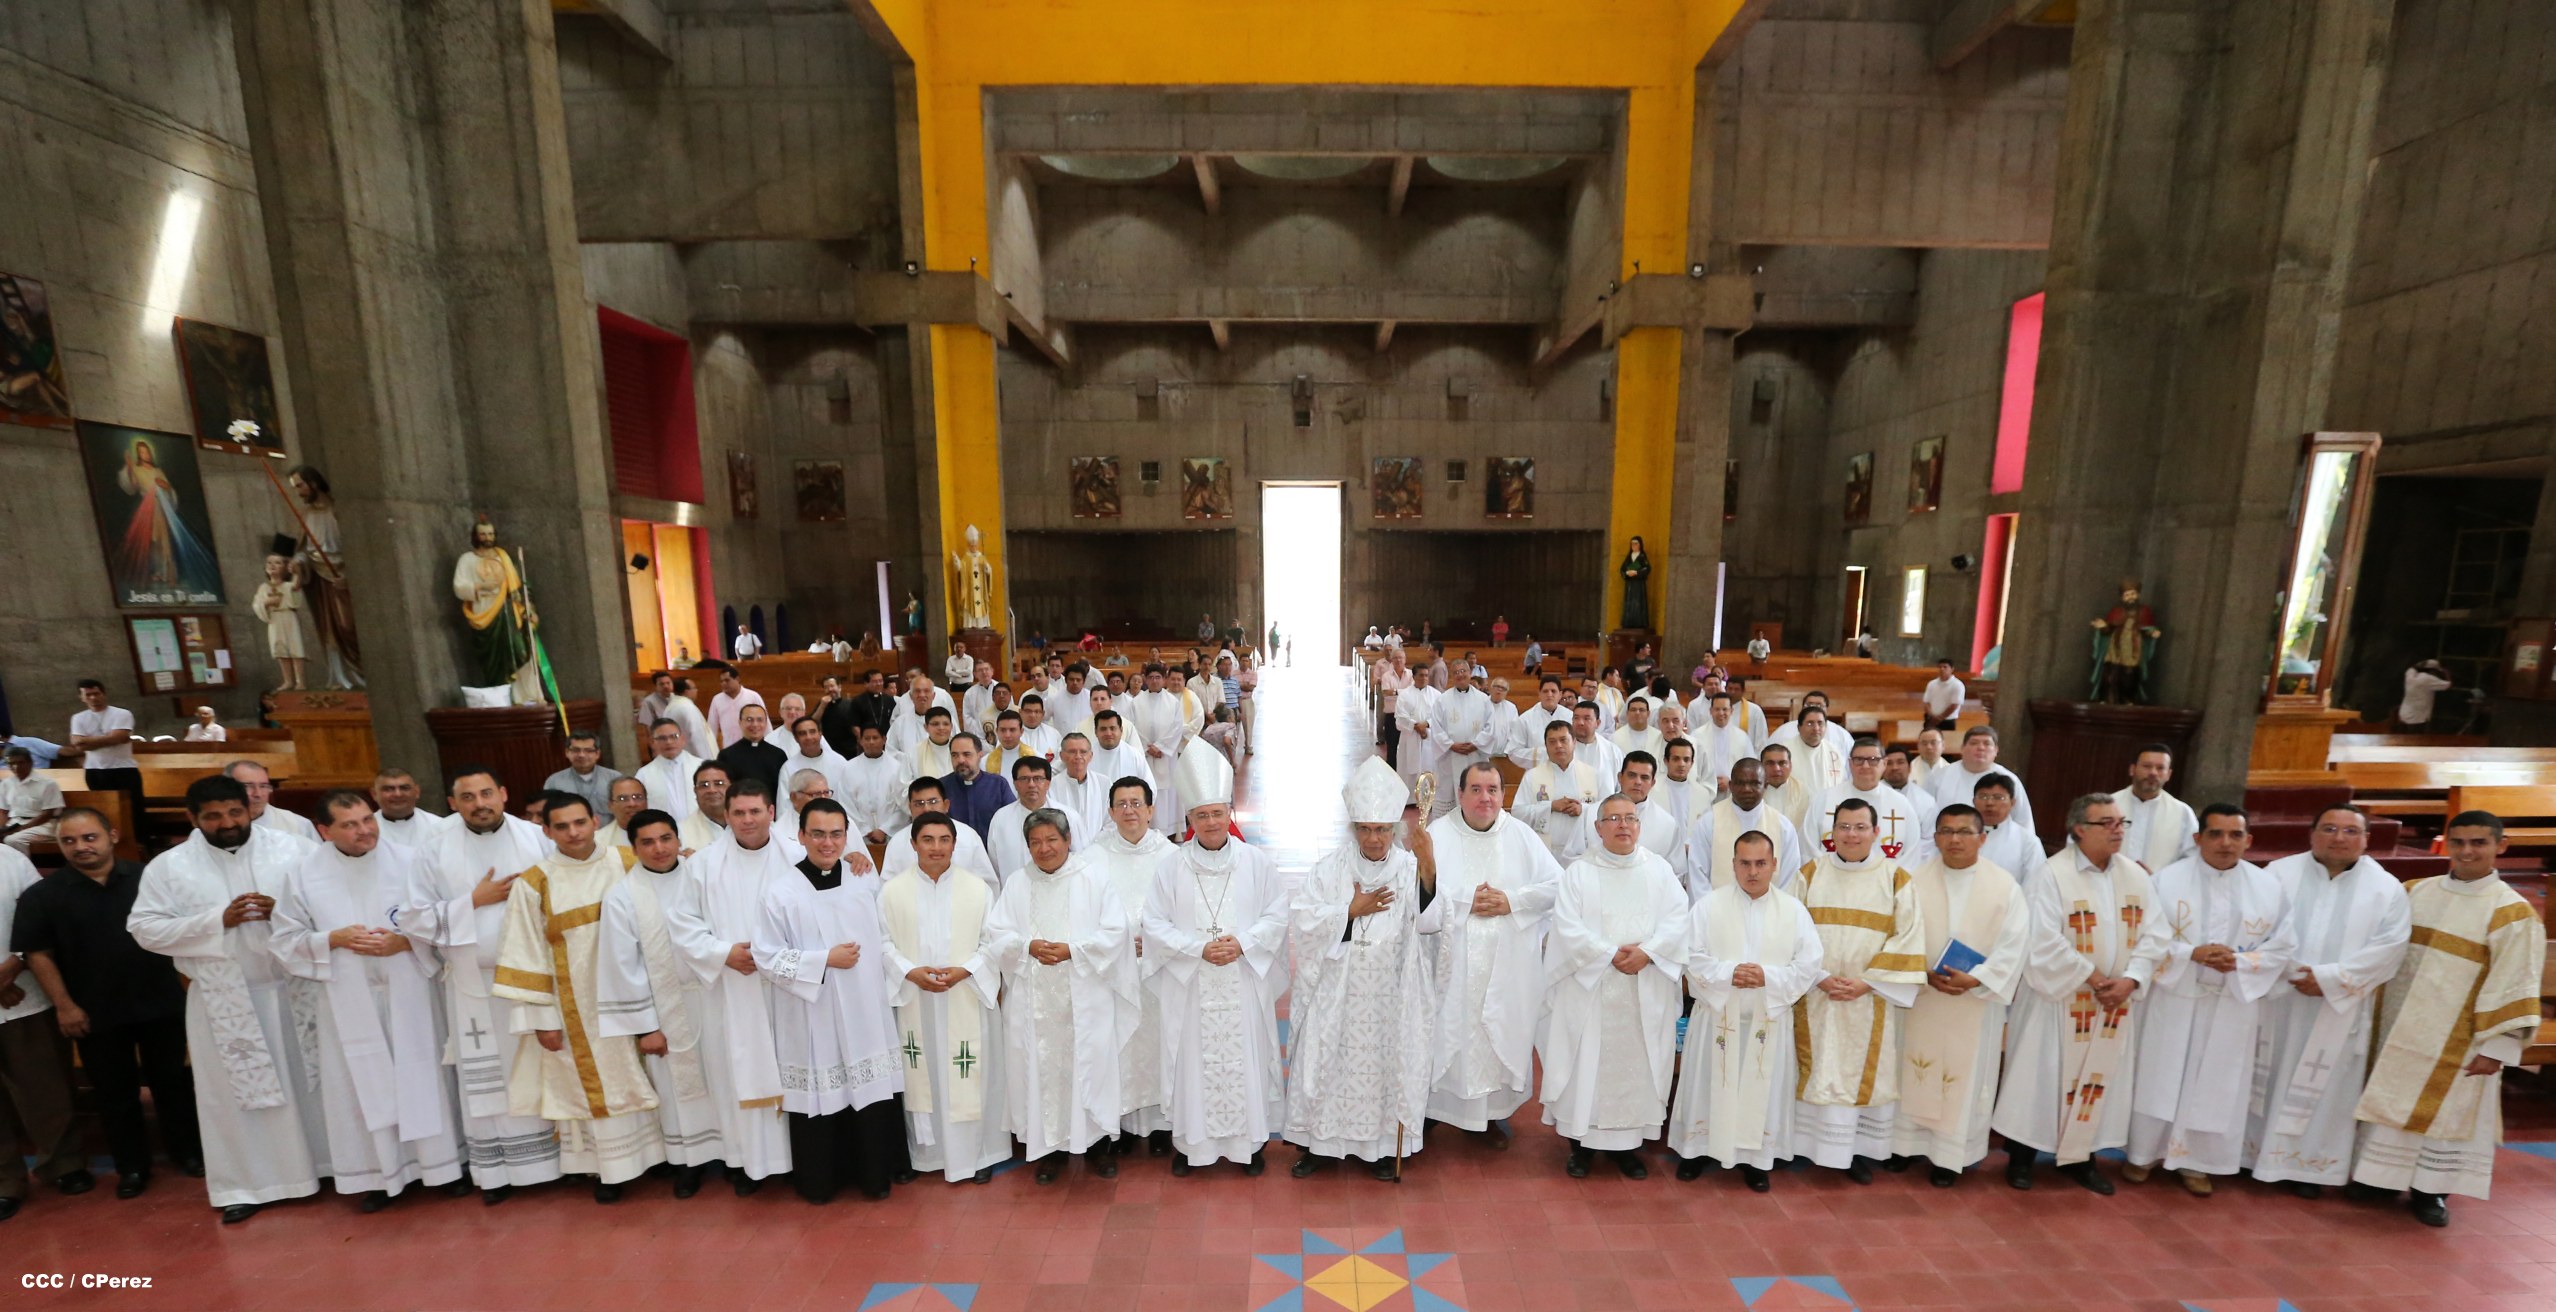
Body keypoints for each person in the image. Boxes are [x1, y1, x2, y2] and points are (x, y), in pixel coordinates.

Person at [127, 775, 325, 1223]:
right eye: (213, 816)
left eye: (235, 811)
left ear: (249, 808)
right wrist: (218, 920)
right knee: (231, 1101)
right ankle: (245, 1185)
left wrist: (284, 912)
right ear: (193, 818)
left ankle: (325, 1167)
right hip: (223, 1002)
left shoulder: (295, 850)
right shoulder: (169, 867)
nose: (228, 822)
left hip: (295, 991)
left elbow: (330, 906)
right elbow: (144, 929)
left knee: (309, 1085)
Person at [2350, 810, 2547, 1226]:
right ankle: (2380, 1179)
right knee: (2390, 1099)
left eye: (2479, 842)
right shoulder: (2415, 892)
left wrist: (2497, 1048)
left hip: (2461, 1038)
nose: (2467, 851)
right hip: (2399, 1024)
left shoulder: (2511, 912)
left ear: (2501, 846)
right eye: (2458, 842)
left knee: (2447, 1115)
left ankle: (2431, 1191)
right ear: (2445, 844)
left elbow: (2517, 982)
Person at [271, 791, 462, 1211]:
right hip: (347, 998)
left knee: (422, 1073)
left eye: (366, 820)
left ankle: (442, 1168)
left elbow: (442, 918)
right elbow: (284, 941)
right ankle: (380, 1175)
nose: (364, 830)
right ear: (325, 831)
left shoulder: (411, 861)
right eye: (350, 825)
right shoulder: (303, 874)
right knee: (360, 1085)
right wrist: (332, 938)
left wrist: (406, 942)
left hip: (410, 990)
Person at [1990, 793, 2168, 1194]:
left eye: (2121, 822)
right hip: (2058, 1001)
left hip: (2113, 1004)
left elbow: (2156, 935)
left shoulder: (2136, 876)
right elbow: (2040, 939)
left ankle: (2080, 1159)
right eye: (2107, 823)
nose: (2118, 830)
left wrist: (2132, 979)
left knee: (2096, 1081)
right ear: (2079, 829)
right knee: (2040, 1079)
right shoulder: (2052, 875)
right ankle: (2021, 1158)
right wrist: (2093, 978)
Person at [402, 763, 563, 1203]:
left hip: (534, 980)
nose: (480, 804)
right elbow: (413, 917)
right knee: (488, 1078)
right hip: (473, 986)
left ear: (503, 794)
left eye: (486, 794)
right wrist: (472, 901)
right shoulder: (434, 851)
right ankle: (496, 1173)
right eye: (468, 797)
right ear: (452, 803)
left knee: (542, 1067)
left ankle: (556, 1163)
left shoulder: (537, 838)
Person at [491, 793, 664, 1201]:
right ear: (547, 831)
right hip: (578, 1011)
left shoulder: (628, 861)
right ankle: (610, 1171)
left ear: (595, 821)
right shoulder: (535, 883)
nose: (573, 832)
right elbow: (526, 954)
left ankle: (662, 1155)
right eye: (562, 826)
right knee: (596, 1083)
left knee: (651, 1071)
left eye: (580, 822)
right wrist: (543, 1019)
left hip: (642, 995)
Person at [2121, 804, 2293, 1197]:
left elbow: (2283, 946)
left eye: (2235, 835)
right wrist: (2190, 954)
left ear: (2249, 841)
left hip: (2231, 1000)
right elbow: (2143, 936)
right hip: (2175, 997)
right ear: (2198, 838)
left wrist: (2242, 962)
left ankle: (2198, 1161)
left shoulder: (2268, 888)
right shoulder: (2166, 881)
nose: (2225, 843)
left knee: (2216, 1083)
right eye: (2215, 834)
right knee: (2160, 1075)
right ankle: (2143, 1153)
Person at [8, 810, 176, 1211]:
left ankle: (188, 1153)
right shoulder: (44, 895)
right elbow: (38, 953)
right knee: (114, 1094)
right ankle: (132, 1168)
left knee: (173, 1084)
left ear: (111, 835)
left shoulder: (149, 878)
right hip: (93, 1010)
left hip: (161, 1001)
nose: (81, 847)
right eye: (69, 841)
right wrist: (65, 1006)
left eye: (89, 837)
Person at [1284, 758, 1437, 1181]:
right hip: (1337, 993)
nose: (1373, 838)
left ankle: (1384, 1149)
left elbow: (1431, 922)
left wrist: (1429, 868)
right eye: (1365, 829)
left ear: (1395, 829)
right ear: (1353, 828)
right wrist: (1349, 912)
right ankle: (1319, 1144)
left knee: (1385, 1070)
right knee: (1326, 1064)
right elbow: (1304, 920)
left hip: (1391, 994)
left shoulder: (1410, 868)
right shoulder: (1330, 869)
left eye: (1382, 829)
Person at [750, 799, 909, 1203]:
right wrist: (823, 960)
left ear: (846, 836)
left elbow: (886, 936)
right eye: (818, 834)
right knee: (825, 1090)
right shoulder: (781, 892)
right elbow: (766, 957)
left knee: (868, 1090)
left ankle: (875, 1175)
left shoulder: (862, 880)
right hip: (812, 1013)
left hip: (864, 1008)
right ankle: (821, 1180)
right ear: (801, 836)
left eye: (836, 834)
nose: (827, 843)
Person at [2249, 804, 2411, 1198]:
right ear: (2312, 834)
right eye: (2329, 829)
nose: (2339, 837)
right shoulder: (2278, 874)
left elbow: (2390, 948)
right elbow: (2255, 929)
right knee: (2267, 1073)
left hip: (2339, 1006)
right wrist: (2292, 973)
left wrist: (2328, 979)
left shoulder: (2386, 888)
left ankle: (2308, 1167)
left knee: (2328, 1087)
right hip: (2280, 998)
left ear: (2367, 839)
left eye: (2351, 831)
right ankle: (2251, 1155)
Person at [1145, 741, 1290, 1176]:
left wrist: (1243, 943)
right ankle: (1193, 1146)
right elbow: (1153, 922)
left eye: (1217, 813)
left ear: (1230, 813)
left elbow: (1277, 913)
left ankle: (1249, 1146)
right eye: (1201, 815)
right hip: (1193, 983)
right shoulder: (1171, 867)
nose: (1210, 822)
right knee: (1194, 1062)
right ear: (1189, 819)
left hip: (1241, 979)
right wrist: (1197, 949)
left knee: (1245, 1060)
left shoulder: (1255, 862)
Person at [1539, 794, 1688, 1180]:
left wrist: (1648, 953)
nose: (1623, 825)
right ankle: (1581, 1147)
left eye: (1630, 818)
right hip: (1592, 990)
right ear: (1598, 828)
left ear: (1639, 825)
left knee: (1636, 1067)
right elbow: (1567, 926)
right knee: (1586, 1065)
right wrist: (1609, 954)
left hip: (1644, 987)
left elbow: (1678, 919)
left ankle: (1628, 1148)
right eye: (1614, 819)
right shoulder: (1579, 873)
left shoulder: (1659, 870)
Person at [665, 778, 800, 1195]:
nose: (747, 820)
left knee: (794, 1066)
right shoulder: (703, 866)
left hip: (789, 990)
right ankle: (747, 1162)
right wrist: (724, 953)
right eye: (738, 812)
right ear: (726, 816)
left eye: (755, 811)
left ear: (771, 812)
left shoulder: (797, 856)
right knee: (734, 1072)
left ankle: (799, 1159)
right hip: (731, 987)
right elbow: (682, 925)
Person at [1667, 831, 1822, 1190]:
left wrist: (1767, 976)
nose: (1753, 871)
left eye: (1761, 863)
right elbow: (1689, 955)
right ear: (1733, 864)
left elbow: (1809, 964)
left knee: (1759, 1091)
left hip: (1767, 1021)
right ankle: (1697, 1151)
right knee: (1710, 1085)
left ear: (1774, 865)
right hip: (1718, 1019)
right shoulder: (1708, 906)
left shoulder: (1793, 911)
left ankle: (1755, 1160)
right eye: (1745, 863)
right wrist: (1729, 974)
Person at [984, 805, 1132, 1184]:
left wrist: (1073, 950)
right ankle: (1049, 1151)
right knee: (1039, 1072)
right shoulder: (1017, 883)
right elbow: (996, 934)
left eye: (1052, 839)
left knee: (1091, 1068)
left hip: (1086, 997)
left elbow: (1116, 932)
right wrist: (1028, 946)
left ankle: (1098, 1146)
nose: (1044, 848)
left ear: (1068, 840)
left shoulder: (1093, 878)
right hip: (1033, 1001)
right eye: (1035, 842)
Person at [1421, 761, 1564, 1150]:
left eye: (1493, 790)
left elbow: (1558, 886)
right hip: (1452, 966)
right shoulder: (1437, 835)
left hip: (1507, 967)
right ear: (1460, 794)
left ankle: (1488, 1116)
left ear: (1503, 795)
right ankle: (1435, 1109)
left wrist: (1512, 900)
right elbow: (1417, 891)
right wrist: (1466, 901)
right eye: (1476, 790)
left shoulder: (1520, 835)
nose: (1485, 798)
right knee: (1447, 1031)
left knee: (1495, 1031)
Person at [1887, 804, 2032, 1186]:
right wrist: (1921, 972)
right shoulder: (1913, 881)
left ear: (1982, 838)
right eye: (1946, 831)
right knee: (1912, 1068)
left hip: (1975, 1001)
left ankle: (1949, 1157)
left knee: (1962, 1078)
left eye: (1964, 832)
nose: (1955, 839)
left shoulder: (2005, 887)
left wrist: (1977, 978)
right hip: (1924, 997)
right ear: (1935, 838)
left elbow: (2015, 945)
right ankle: (1905, 1146)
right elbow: (1896, 935)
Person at [1788, 799, 1927, 1183]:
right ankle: (1800, 1145)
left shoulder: (1896, 878)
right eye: (1844, 827)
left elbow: (1909, 936)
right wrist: (1818, 976)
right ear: (1832, 832)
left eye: (1860, 827)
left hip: (1869, 999)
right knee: (1814, 1065)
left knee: (1856, 1073)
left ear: (1876, 832)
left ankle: (1852, 1151)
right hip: (1816, 993)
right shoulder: (1811, 873)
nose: (1851, 835)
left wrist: (1869, 982)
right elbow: (1788, 930)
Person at [592, 809, 725, 1200]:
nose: (659, 848)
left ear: (678, 839)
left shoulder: (701, 877)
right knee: (677, 1089)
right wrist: (646, 1027)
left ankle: (733, 1155)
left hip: (716, 998)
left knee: (722, 1075)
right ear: (633, 848)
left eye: (666, 838)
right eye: (647, 842)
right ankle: (687, 1162)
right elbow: (621, 966)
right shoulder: (622, 897)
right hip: (666, 1010)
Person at [878, 813, 1007, 1184]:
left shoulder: (978, 890)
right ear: (913, 844)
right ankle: (926, 1155)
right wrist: (909, 971)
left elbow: (993, 942)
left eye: (944, 839)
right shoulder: (892, 892)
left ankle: (978, 1155)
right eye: (928, 839)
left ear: (954, 844)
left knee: (971, 1074)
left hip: (965, 995)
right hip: (915, 998)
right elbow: (881, 942)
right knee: (922, 1077)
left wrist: (966, 970)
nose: (936, 847)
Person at [1087, 776, 1175, 1152]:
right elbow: (1084, 911)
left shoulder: (1172, 857)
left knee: (1159, 1044)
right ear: (1110, 812)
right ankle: (1119, 1125)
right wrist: (1118, 943)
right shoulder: (1092, 857)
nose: (1129, 811)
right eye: (1121, 804)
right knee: (1118, 1044)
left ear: (1151, 810)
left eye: (1136, 803)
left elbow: (1184, 912)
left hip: (1159, 969)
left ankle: (1160, 1126)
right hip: (1113, 970)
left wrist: (1155, 941)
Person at [1685, 758, 1805, 899]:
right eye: (1740, 783)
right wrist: (1712, 909)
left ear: (1765, 785)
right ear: (1731, 786)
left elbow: (1789, 881)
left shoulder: (1783, 827)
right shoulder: (1708, 823)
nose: (1747, 789)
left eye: (1754, 783)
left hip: (1770, 910)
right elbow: (1697, 876)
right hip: (1718, 909)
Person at [1809, 736, 1939, 866]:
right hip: (1832, 876)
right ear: (1850, 764)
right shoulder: (1825, 799)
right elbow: (1809, 847)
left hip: (1887, 878)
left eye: (1873, 760)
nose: (1865, 766)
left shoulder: (1901, 804)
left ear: (1884, 764)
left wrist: (1886, 877)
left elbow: (1912, 853)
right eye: (1859, 760)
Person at [1511, 721, 1601, 861]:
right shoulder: (1532, 776)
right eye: (1552, 742)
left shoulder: (1593, 775)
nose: (1558, 746)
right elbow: (1517, 813)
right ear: (1546, 746)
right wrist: (1550, 807)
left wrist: (1583, 809)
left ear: (1574, 742)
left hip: (1583, 854)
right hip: (1544, 853)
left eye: (1563, 740)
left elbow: (1605, 811)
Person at [880, 778, 998, 885]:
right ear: (910, 808)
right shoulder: (898, 842)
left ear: (946, 805)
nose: (926, 809)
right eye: (919, 804)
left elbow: (987, 884)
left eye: (933, 802)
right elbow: (888, 887)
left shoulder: (968, 836)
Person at [1928, 725, 2035, 838]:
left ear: (1996, 750)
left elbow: (2023, 820)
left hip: (1996, 840)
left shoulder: (2009, 779)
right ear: (1962, 748)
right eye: (1974, 743)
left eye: (1987, 743)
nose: (1981, 748)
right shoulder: (1939, 776)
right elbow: (1926, 814)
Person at [2111, 744, 2197, 871]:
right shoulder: (2107, 805)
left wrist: (2160, 878)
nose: (2153, 773)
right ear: (2132, 769)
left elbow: (2192, 858)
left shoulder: (2182, 813)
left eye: (2160, 768)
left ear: (2168, 774)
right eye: (2147, 766)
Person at [988, 756, 1073, 879]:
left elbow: (1078, 858)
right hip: (1015, 888)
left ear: (1048, 783)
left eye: (1038, 779)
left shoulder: (1068, 816)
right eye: (1024, 779)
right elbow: (994, 864)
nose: (1031, 785)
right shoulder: (1001, 818)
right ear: (1015, 783)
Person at [1427, 663, 1493, 822]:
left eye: (1463, 671)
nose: (1460, 675)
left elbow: (1490, 727)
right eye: (1456, 672)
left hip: (1475, 755)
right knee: (1450, 793)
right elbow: (1436, 728)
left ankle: (1477, 822)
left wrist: (1476, 743)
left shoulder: (1484, 700)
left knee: (1476, 787)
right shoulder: (1442, 700)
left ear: (1470, 673)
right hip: (1450, 757)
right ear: (1452, 676)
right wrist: (1451, 745)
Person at [68, 679, 141, 813]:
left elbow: (119, 737)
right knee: (104, 810)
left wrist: (88, 741)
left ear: (103, 694)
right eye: (88, 695)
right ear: (81, 697)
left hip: (123, 768)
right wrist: (110, 739)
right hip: (94, 769)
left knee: (132, 809)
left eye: (96, 693)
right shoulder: (78, 718)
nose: (93, 698)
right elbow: (78, 744)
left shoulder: (121, 714)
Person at [842, 724, 914, 856]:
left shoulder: (897, 768)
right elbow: (846, 804)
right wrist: (865, 830)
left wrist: (884, 830)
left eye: (875, 738)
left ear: (884, 739)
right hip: (860, 836)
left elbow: (904, 804)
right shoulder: (849, 768)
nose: (871, 742)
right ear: (860, 741)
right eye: (867, 738)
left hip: (892, 835)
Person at [939, 733, 1014, 840]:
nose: (960, 760)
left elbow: (1011, 819)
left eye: (967, 754)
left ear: (980, 755)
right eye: (955, 755)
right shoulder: (941, 786)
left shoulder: (998, 784)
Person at [1971, 774, 2041, 880]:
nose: (1989, 803)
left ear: (2012, 803)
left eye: (1998, 797)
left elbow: (2035, 884)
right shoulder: (1957, 834)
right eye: (1983, 796)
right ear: (1973, 801)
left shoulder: (2028, 842)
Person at [636, 719, 705, 825]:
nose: (669, 742)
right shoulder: (643, 775)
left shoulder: (701, 767)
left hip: (700, 827)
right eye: (662, 738)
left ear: (683, 739)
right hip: (662, 830)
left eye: (674, 736)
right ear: (652, 742)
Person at [0, 745, 64, 855]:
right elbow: (3, 811)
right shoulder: (6, 784)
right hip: (14, 823)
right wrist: (2, 828)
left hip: (43, 825)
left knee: (13, 840)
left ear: (30, 763)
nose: (16, 767)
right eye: (11, 764)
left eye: (20, 763)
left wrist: (21, 828)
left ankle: (23, 866)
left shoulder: (47, 784)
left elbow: (47, 814)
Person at [543, 731, 624, 816]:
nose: (581, 755)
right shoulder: (554, 782)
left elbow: (625, 807)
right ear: (567, 752)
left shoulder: (615, 778)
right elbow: (548, 813)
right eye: (576, 750)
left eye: (588, 751)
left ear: (597, 754)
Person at [715, 704, 787, 797]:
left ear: (766, 723)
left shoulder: (778, 755)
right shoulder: (726, 755)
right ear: (740, 722)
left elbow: (783, 790)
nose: (755, 724)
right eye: (749, 720)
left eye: (759, 720)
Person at [368, 768, 448, 850]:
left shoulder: (440, 826)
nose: (398, 794)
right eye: (388, 789)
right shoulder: (365, 829)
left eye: (404, 788)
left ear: (417, 792)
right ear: (374, 794)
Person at [702, 662, 765, 751]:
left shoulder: (752, 696)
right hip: (729, 748)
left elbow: (765, 722)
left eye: (727, 680)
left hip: (753, 746)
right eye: (721, 681)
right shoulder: (717, 700)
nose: (724, 684)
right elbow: (712, 727)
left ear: (737, 679)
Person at [1759, 744, 1814, 834]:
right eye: (1770, 763)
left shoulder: (1804, 793)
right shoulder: (1752, 791)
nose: (1776, 769)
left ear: (1790, 766)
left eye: (1782, 763)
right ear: (1760, 765)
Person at [680, 763, 731, 854]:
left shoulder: (748, 822)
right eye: (704, 785)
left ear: (731, 788)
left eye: (719, 783)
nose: (712, 790)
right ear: (695, 791)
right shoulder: (681, 832)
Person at [666, 676, 716, 760]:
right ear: (686, 691)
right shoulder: (688, 708)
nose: (696, 691)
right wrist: (706, 761)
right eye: (694, 688)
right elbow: (697, 737)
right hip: (693, 758)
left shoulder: (670, 707)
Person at [2396, 658, 2454, 729]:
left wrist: (2423, 664)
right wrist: (2447, 674)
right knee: (2416, 735)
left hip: (2404, 714)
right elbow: (2448, 685)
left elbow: (2412, 667)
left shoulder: (2410, 674)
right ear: (2432, 670)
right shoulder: (2428, 679)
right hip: (2418, 718)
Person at [1922, 660, 1965, 731]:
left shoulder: (1957, 685)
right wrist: (1931, 715)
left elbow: (1954, 705)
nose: (1942, 669)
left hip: (1947, 720)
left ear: (1952, 669)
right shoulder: (1932, 684)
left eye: (1945, 667)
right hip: (1931, 719)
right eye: (1940, 667)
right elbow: (1926, 702)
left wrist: (1939, 718)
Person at [1909, 727, 1949, 791]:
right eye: (1924, 743)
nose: (1929, 747)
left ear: (1943, 745)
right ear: (1918, 746)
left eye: (1933, 743)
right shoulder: (1909, 769)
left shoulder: (1951, 771)